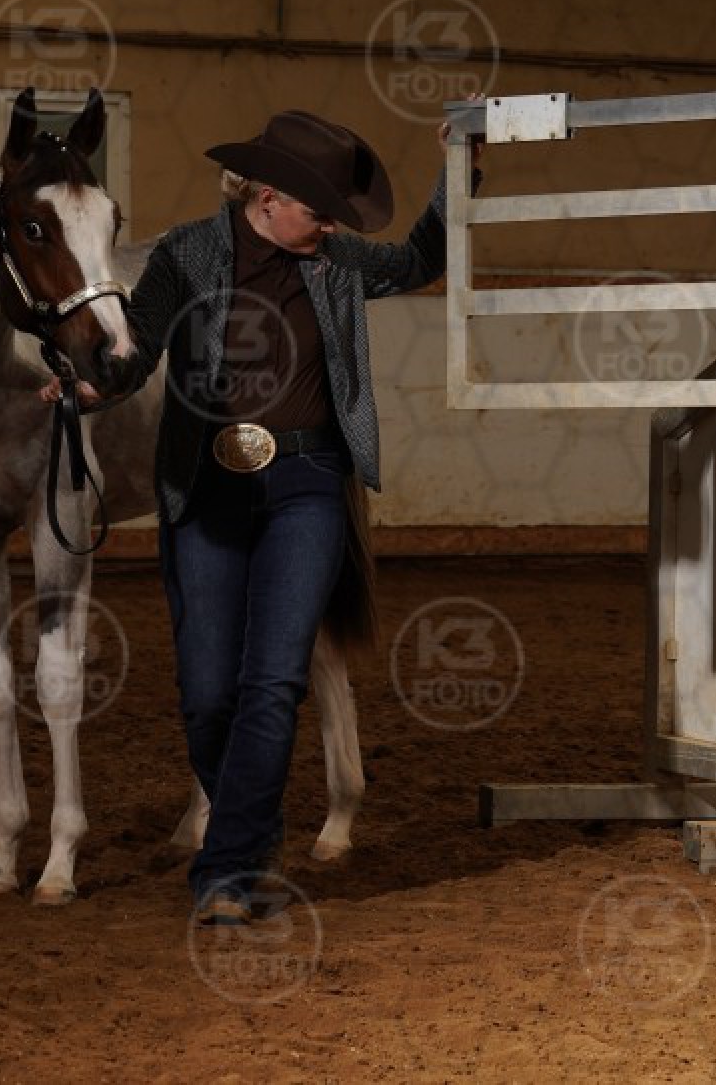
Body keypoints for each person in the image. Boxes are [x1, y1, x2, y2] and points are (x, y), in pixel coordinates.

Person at [49, 108, 477, 925]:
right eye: (319, 212)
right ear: (268, 198)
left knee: (274, 681)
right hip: (205, 488)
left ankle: (229, 870)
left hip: (308, 486)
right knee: (209, 694)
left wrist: (460, 171)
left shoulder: (338, 259)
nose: (332, 227)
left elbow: (421, 259)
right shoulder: (186, 253)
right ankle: (251, 832)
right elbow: (139, 345)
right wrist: (92, 386)